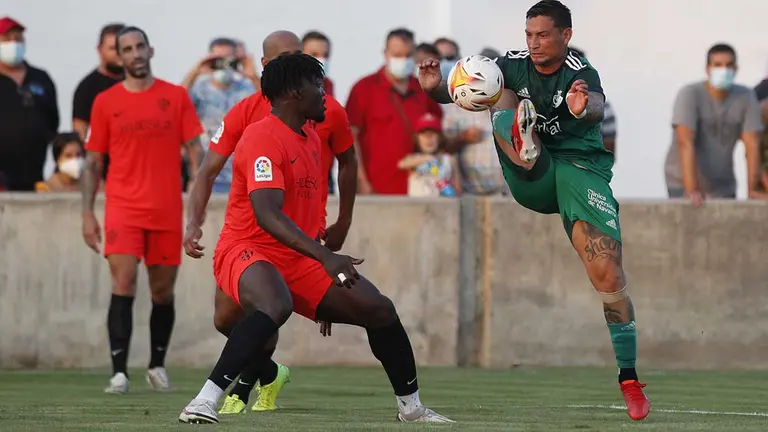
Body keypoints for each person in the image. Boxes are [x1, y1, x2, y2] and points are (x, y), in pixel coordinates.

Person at [179, 53, 451, 425]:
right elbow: (267, 214)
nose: (324, 94)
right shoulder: (261, 137)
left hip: (300, 256)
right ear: (294, 92)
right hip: (249, 246)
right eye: (317, 85)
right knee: (274, 305)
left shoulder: (308, 136)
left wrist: (324, 285)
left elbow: (322, 189)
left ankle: (412, 408)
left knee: (379, 309)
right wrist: (325, 257)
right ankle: (204, 400)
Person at [419, 0, 650, 421]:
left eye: (543, 35)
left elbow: (594, 103)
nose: (535, 42)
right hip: (532, 174)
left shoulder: (582, 71)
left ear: (566, 35)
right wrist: (434, 86)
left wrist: (583, 107)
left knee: (608, 272)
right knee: (500, 89)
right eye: (529, 34)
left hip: (580, 169)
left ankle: (629, 378)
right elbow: (465, 89)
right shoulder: (513, 63)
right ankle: (523, 143)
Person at [183, 30, 357, 416]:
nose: (297, 64)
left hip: (298, 237)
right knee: (226, 318)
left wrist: (343, 219)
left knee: (269, 306)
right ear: (265, 67)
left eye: (300, 55)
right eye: (286, 56)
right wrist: (193, 223)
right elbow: (208, 170)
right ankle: (267, 373)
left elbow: (348, 160)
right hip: (250, 233)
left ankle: (232, 390)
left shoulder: (326, 109)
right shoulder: (246, 111)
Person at [81, 26, 203, 394]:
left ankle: (157, 365)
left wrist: (196, 205)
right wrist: (87, 213)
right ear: (118, 56)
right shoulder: (105, 102)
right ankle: (119, 372)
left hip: (166, 208)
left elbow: (195, 152)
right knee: (123, 282)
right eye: (126, 49)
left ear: (150, 51)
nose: (134, 53)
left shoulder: (176, 96)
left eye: (139, 47)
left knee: (163, 292)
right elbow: (92, 163)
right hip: (123, 207)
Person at [346, 28, 443, 195]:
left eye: (408, 55)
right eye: (397, 55)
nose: (403, 60)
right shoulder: (364, 89)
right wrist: (360, 179)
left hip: (420, 190)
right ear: (385, 53)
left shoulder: (423, 89)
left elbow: (438, 134)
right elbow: (349, 138)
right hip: (376, 188)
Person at [664, 43, 764, 202]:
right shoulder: (689, 95)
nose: (724, 70)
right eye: (718, 65)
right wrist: (692, 190)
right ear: (708, 68)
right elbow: (685, 142)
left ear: (736, 69)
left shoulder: (746, 97)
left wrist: (752, 189)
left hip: (723, 185)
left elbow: (752, 145)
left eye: (729, 65)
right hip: (682, 182)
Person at [183, 37, 256, 193]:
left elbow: (270, 105)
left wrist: (252, 75)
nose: (223, 65)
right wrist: (196, 71)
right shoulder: (199, 88)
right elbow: (176, 103)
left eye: (228, 60)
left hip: (240, 174)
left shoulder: (246, 88)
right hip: (208, 172)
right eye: (218, 60)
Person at [0, 16, 59, 191]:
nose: (13, 43)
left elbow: (52, 120)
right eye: (7, 39)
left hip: (34, 172)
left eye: (18, 38)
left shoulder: (40, 78)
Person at [398, 113, 460, 197]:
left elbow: (458, 188)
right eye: (423, 134)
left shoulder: (449, 159)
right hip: (418, 207)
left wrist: (451, 190)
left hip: (442, 206)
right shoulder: (414, 158)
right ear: (417, 138)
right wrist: (426, 158)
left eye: (433, 134)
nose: (428, 138)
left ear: (440, 137)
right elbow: (402, 164)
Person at [301, 30, 334, 97]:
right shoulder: (290, 86)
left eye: (325, 55)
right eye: (314, 54)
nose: (321, 60)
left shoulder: (328, 84)